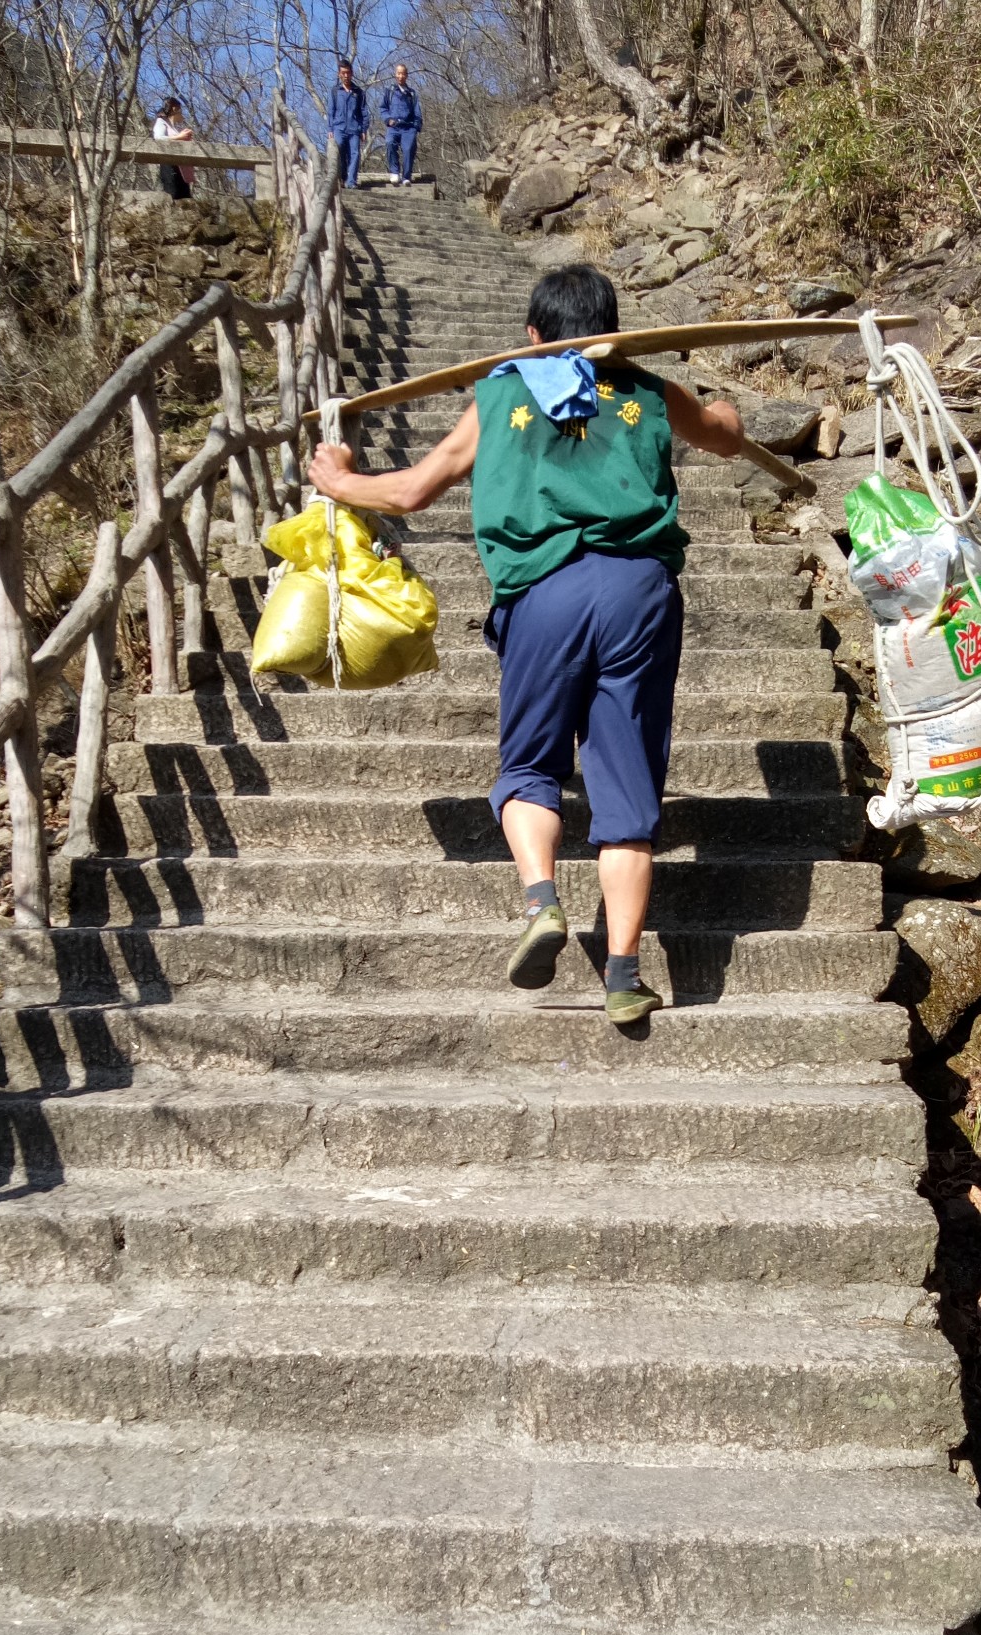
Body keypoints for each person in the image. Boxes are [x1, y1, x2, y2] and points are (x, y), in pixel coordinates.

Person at [308, 263, 743, 1027]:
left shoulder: (500, 392)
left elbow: (413, 489)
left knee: (530, 766)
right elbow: (725, 438)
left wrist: (339, 481)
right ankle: (622, 974)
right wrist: (726, 409)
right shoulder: (646, 389)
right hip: (639, 593)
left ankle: (542, 901)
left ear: (534, 336)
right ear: (615, 331)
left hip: (543, 592)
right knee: (628, 787)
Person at [327, 60, 369, 189]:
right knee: (340, 152)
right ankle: (342, 177)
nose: (346, 76)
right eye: (343, 73)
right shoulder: (335, 91)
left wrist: (363, 129)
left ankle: (351, 181)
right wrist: (330, 129)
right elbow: (331, 111)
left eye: (348, 73)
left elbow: (364, 112)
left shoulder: (359, 92)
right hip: (338, 128)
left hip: (354, 128)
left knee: (355, 153)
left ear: (352, 73)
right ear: (339, 74)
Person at [379, 63, 422, 185]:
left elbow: (417, 112)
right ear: (395, 74)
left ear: (407, 75)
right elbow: (383, 108)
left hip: (408, 127)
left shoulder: (412, 94)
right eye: (398, 73)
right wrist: (388, 119)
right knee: (389, 142)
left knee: (408, 149)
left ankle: (406, 176)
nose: (401, 76)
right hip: (394, 127)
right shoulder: (390, 91)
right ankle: (394, 172)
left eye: (403, 73)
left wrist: (416, 126)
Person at [153, 97, 194, 202]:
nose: (182, 114)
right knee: (173, 197)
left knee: (185, 200)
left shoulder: (173, 128)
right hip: (170, 168)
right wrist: (179, 137)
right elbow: (159, 138)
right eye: (180, 110)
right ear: (175, 109)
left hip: (180, 170)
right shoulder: (161, 122)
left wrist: (184, 138)